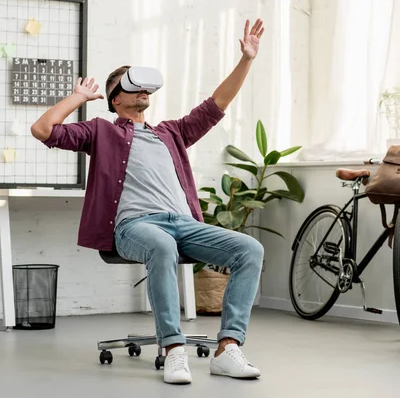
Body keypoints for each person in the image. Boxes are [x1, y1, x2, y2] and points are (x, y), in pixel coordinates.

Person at [31, 19, 265, 384]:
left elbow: (216, 104)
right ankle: (173, 349)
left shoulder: (171, 132)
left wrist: (246, 60)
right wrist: (79, 97)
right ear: (116, 98)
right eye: (129, 83)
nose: (141, 89)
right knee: (161, 244)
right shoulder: (101, 130)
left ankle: (228, 348)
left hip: (184, 224)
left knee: (249, 249)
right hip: (135, 226)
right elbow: (43, 130)